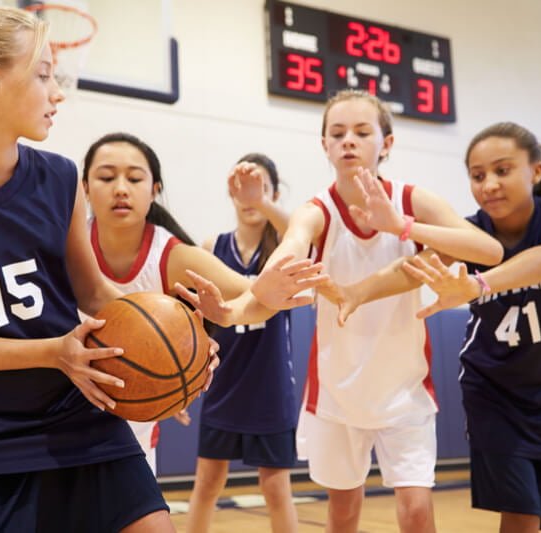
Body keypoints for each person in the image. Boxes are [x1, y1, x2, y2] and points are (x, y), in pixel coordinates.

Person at [0, 7, 222, 532]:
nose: (57, 92)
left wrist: (182, 336)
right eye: (44, 74)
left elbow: (94, 293)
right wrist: (53, 352)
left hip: (74, 419)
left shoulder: (60, 177)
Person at [176, 89, 504, 533]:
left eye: (362, 131)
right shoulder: (318, 211)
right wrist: (237, 307)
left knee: (415, 512)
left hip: (404, 390)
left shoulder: (411, 200)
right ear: (324, 146)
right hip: (337, 393)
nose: (349, 140)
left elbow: (490, 249)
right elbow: (291, 247)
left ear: (385, 144)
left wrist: (401, 226)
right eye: (338, 132)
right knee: (343, 513)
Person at [82, 134, 324, 478]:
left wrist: (176, 373)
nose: (121, 188)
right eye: (106, 177)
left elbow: (255, 297)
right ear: (85, 188)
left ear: (154, 189)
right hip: (62, 421)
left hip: (131, 434)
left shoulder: (172, 255)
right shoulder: (64, 242)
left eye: (134, 178)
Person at [400, 122, 541, 533]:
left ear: (536, 171)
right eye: (477, 176)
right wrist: (351, 292)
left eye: (502, 170)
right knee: (522, 511)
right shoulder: (469, 234)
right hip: (493, 390)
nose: (489, 184)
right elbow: (405, 270)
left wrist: (476, 284)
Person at [185, 154, 298, 533]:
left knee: (276, 488)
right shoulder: (210, 246)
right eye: (241, 189)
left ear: (275, 194)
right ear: (229, 195)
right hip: (224, 383)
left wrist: (263, 201)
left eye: (260, 188)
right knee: (207, 483)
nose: (249, 198)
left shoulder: (287, 246)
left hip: (270, 387)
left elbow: (302, 229)